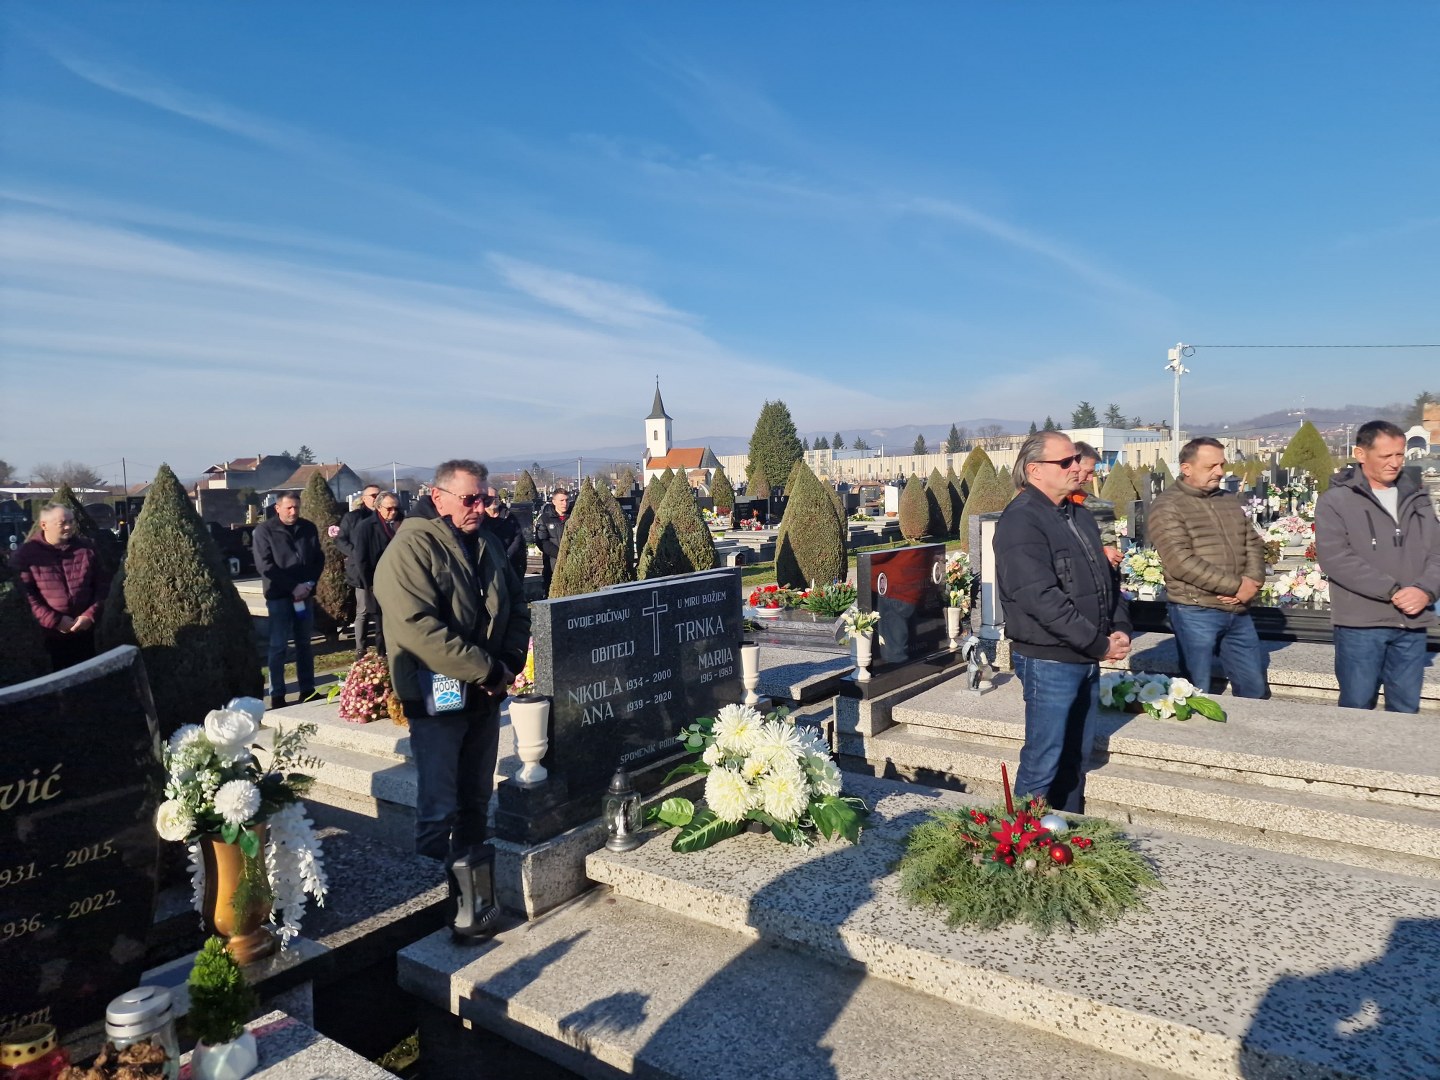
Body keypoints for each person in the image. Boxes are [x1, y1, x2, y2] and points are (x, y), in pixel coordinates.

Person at [373, 459, 529, 937]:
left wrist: (509, 660)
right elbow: (417, 629)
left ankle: (474, 901)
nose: (479, 506)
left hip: (484, 695)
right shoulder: (410, 548)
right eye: (469, 499)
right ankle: (427, 910)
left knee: (475, 802)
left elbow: (517, 603)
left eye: (485, 498)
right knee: (439, 808)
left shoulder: (487, 542)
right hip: (436, 694)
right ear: (437, 496)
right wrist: (486, 669)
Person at [996, 433, 1130, 813]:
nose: (1077, 467)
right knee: (1043, 762)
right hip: (1050, 659)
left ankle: (1068, 832)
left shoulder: (1078, 515)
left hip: (1084, 654)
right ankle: (1023, 839)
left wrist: (1119, 627)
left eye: (1076, 459)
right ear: (1035, 470)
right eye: (1066, 461)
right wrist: (1099, 644)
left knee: (1075, 759)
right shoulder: (1021, 521)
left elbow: (1106, 581)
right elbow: (1039, 597)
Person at [1315, 420, 1440, 712]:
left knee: (1405, 709)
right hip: (1361, 625)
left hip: (1411, 623)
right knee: (1356, 707)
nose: (1395, 463)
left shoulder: (1418, 498)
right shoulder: (1336, 501)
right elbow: (1335, 558)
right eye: (1386, 456)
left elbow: (1437, 552)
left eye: (1399, 454)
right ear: (1360, 454)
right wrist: (1393, 590)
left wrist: (1424, 591)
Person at [1149, 437, 1269, 699]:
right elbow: (1180, 562)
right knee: (1196, 691)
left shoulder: (1228, 500)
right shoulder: (1168, 506)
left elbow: (1252, 542)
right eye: (1210, 466)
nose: (1219, 472)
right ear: (1186, 468)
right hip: (1196, 610)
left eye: (1221, 464)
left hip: (1238, 610)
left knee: (1254, 688)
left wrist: (1252, 581)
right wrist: (1236, 586)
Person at [11, 503, 110, 672]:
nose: (69, 527)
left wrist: (89, 615)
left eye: (71, 522)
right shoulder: (26, 555)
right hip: (47, 636)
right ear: (44, 525)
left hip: (86, 631)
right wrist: (55, 621)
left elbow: (102, 585)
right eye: (62, 523)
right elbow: (27, 596)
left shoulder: (86, 549)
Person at [252, 493, 323, 709]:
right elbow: (265, 565)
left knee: (304, 643)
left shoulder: (308, 528)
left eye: (296, 508)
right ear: (278, 508)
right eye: (289, 508)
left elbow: (317, 558)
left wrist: (308, 584)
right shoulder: (265, 531)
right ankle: (278, 695)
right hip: (280, 596)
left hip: (304, 595)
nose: (293, 512)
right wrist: (293, 587)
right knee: (278, 646)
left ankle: (307, 689)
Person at [351, 492, 404, 657]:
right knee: (381, 624)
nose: (393, 512)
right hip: (377, 581)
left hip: (399, 581)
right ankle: (383, 656)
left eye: (396, 508)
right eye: (389, 509)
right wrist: (370, 585)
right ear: (379, 507)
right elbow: (361, 558)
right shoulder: (366, 527)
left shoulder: (402, 523)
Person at [336, 485, 381, 657]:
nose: (376, 498)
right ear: (364, 498)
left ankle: (383, 647)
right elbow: (341, 540)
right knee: (363, 610)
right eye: (373, 495)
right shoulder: (353, 517)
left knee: (382, 611)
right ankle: (360, 648)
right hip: (361, 571)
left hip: (381, 568)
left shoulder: (385, 516)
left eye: (379, 494)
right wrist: (357, 553)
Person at [1072, 442, 1123, 568]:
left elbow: (1111, 554)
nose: (1090, 479)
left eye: (1092, 473)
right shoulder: (1046, 506)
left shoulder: (1100, 508)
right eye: (1087, 472)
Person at [479, 486, 527, 582]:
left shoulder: (509, 516)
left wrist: (506, 556)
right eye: (490, 498)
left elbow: (517, 538)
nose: (494, 500)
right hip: (489, 566)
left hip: (511, 563)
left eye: (496, 497)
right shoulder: (479, 519)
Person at [533, 489, 570, 592]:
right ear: (554, 502)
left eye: (567, 500)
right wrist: (560, 554)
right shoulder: (545, 519)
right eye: (561, 500)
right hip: (552, 563)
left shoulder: (573, 517)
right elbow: (542, 541)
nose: (565, 503)